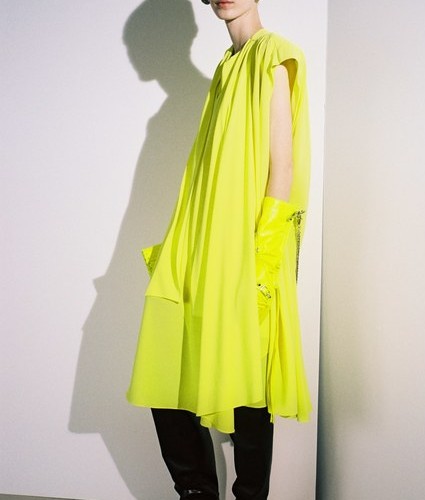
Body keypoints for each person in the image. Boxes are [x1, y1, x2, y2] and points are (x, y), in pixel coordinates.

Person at [127, 0, 311, 498]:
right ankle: (196, 492)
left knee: (245, 377)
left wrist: (263, 258)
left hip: (246, 247)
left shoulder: (274, 55)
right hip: (201, 244)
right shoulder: (226, 67)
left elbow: (282, 167)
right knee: (166, 365)